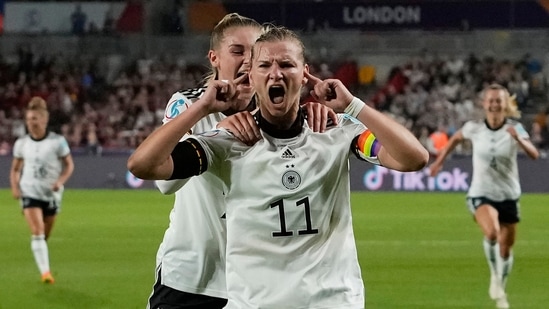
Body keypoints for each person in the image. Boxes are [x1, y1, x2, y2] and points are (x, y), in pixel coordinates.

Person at [128, 25, 428, 308]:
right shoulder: (227, 142)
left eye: (286, 65)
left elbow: (414, 158)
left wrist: (352, 105)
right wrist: (202, 107)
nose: (276, 74)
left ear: (304, 74)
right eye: (264, 66)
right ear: (252, 77)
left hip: (332, 301)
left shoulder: (337, 131)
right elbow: (144, 166)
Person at [145, 14, 336, 309]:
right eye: (237, 51)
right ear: (215, 58)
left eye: (254, 52)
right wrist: (215, 130)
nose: (247, 61)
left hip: (255, 283)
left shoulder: (278, 116)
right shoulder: (190, 104)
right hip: (191, 276)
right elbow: (165, 183)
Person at [429, 83, 539, 309]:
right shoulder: (474, 128)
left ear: (505, 104)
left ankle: (500, 284)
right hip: (481, 193)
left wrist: (518, 139)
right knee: (492, 232)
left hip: (509, 195)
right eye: (491, 100)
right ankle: (494, 275)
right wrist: (439, 162)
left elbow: (534, 154)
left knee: (506, 249)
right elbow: (456, 139)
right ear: (484, 103)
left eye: (498, 100)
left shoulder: (515, 128)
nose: (494, 104)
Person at [9, 96, 75, 284]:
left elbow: (69, 165)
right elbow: (15, 169)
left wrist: (60, 181)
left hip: (52, 194)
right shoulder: (21, 143)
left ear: (44, 120)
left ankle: (40, 255)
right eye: (28, 119)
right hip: (29, 191)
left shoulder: (57, 142)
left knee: (44, 235)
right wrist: (15, 187)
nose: (31, 123)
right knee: (37, 231)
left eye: (34, 119)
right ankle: (45, 273)